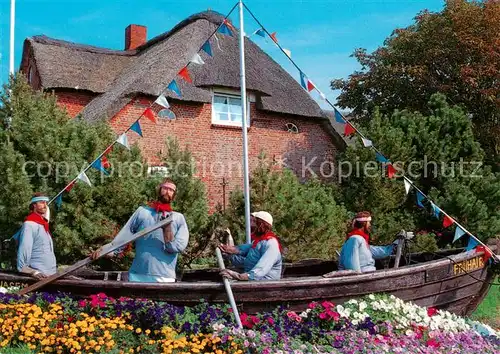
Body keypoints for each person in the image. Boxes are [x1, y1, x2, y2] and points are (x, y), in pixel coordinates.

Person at [90, 179, 189, 282]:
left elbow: (176, 247)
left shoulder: (178, 218)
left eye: (171, 190)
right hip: (137, 275)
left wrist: (167, 230)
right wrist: (105, 249)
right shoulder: (142, 212)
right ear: (159, 190)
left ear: (174, 195)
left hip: (164, 277)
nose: (167, 191)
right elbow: (123, 237)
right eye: (165, 188)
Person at [219, 211, 282, 281]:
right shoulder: (258, 242)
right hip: (254, 280)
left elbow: (261, 269)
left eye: (254, 222)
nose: (251, 225)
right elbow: (244, 255)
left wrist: (238, 276)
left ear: (261, 224)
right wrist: (228, 252)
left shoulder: (271, 244)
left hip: (266, 283)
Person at [16, 193, 57, 279]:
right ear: (34, 205)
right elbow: (24, 249)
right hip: (38, 276)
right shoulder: (29, 224)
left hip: (51, 275)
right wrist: (32, 271)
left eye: (46, 203)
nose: (45, 205)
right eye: (42, 202)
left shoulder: (43, 225)